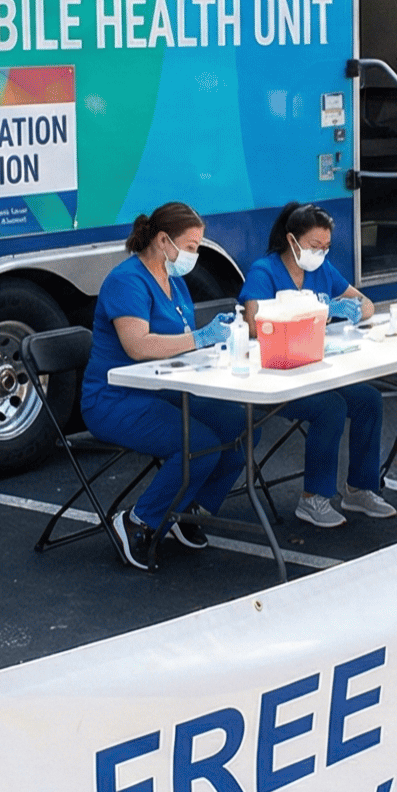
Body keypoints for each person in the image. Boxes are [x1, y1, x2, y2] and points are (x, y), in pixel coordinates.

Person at [83, 203, 247, 571]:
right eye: (190, 247)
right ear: (162, 240)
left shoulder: (173, 281)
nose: (195, 255)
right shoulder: (127, 280)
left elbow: (181, 337)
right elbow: (138, 345)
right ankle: (138, 521)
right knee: (201, 445)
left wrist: (209, 339)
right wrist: (199, 338)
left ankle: (188, 510)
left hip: (163, 389)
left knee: (236, 423)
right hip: (116, 398)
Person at [239, 203, 397, 529]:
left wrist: (347, 309)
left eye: (325, 247)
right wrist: (300, 310)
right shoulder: (264, 270)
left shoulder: (320, 270)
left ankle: (359, 489)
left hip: (314, 367)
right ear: (292, 240)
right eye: (314, 246)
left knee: (369, 400)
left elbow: (364, 304)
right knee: (331, 408)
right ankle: (313, 499)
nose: (320, 253)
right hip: (277, 374)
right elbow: (254, 325)